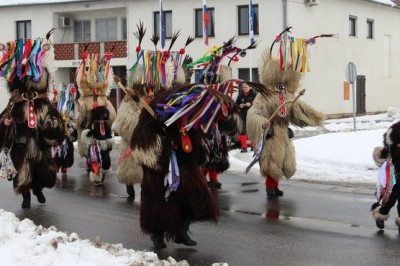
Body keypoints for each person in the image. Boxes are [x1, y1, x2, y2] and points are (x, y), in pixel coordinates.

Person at [246, 28, 327, 197]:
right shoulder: (264, 94)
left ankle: (274, 186)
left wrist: (313, 116)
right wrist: (262, 123)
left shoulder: (287, 94)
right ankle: (270, 186)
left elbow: (296, 110)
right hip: (271, 132)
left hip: (283, 132)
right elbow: (254, 112)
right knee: (272, 161)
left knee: (286, 161)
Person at [0, 35, 65, 208]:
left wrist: (52, 126)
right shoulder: (15, 105)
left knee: (42, 170)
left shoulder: (44, 104)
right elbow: (4, 121)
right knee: (23, 170)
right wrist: (6, 124)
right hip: (22, 144)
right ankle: (26, 196)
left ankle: (38, 190)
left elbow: (57, 122)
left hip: (40, 142)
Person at [371, 121, 400, 231]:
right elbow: (387, 146)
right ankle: (381, 215)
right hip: (395, 173)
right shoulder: (395, 130)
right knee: (392, 198)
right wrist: (392, 147)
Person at [236, 81, 256, 153]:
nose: (244, 88)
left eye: (246, 87)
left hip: (252, 116)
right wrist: (239, 105)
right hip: (243, 116)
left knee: (252, 131)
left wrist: (250, 104)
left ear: (250, 87)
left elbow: (258, 104)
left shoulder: (254, 95)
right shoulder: (240, 95)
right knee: (243, 131)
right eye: (243, 87)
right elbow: (236, 104)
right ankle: (244, 147)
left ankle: (253, 146)